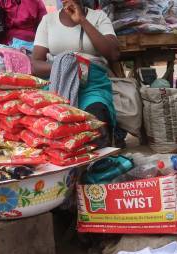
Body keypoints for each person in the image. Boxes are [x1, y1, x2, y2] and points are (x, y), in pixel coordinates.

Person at [32, 0, 120, 147]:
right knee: (46, 127)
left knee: (97, 125)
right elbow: (35, 64)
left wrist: (82, 21)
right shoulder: (48, 21)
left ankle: (96, 165)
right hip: (57, 86)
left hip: (92, 86)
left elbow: (113, 54)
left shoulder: (98, 17)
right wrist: (66, 66)